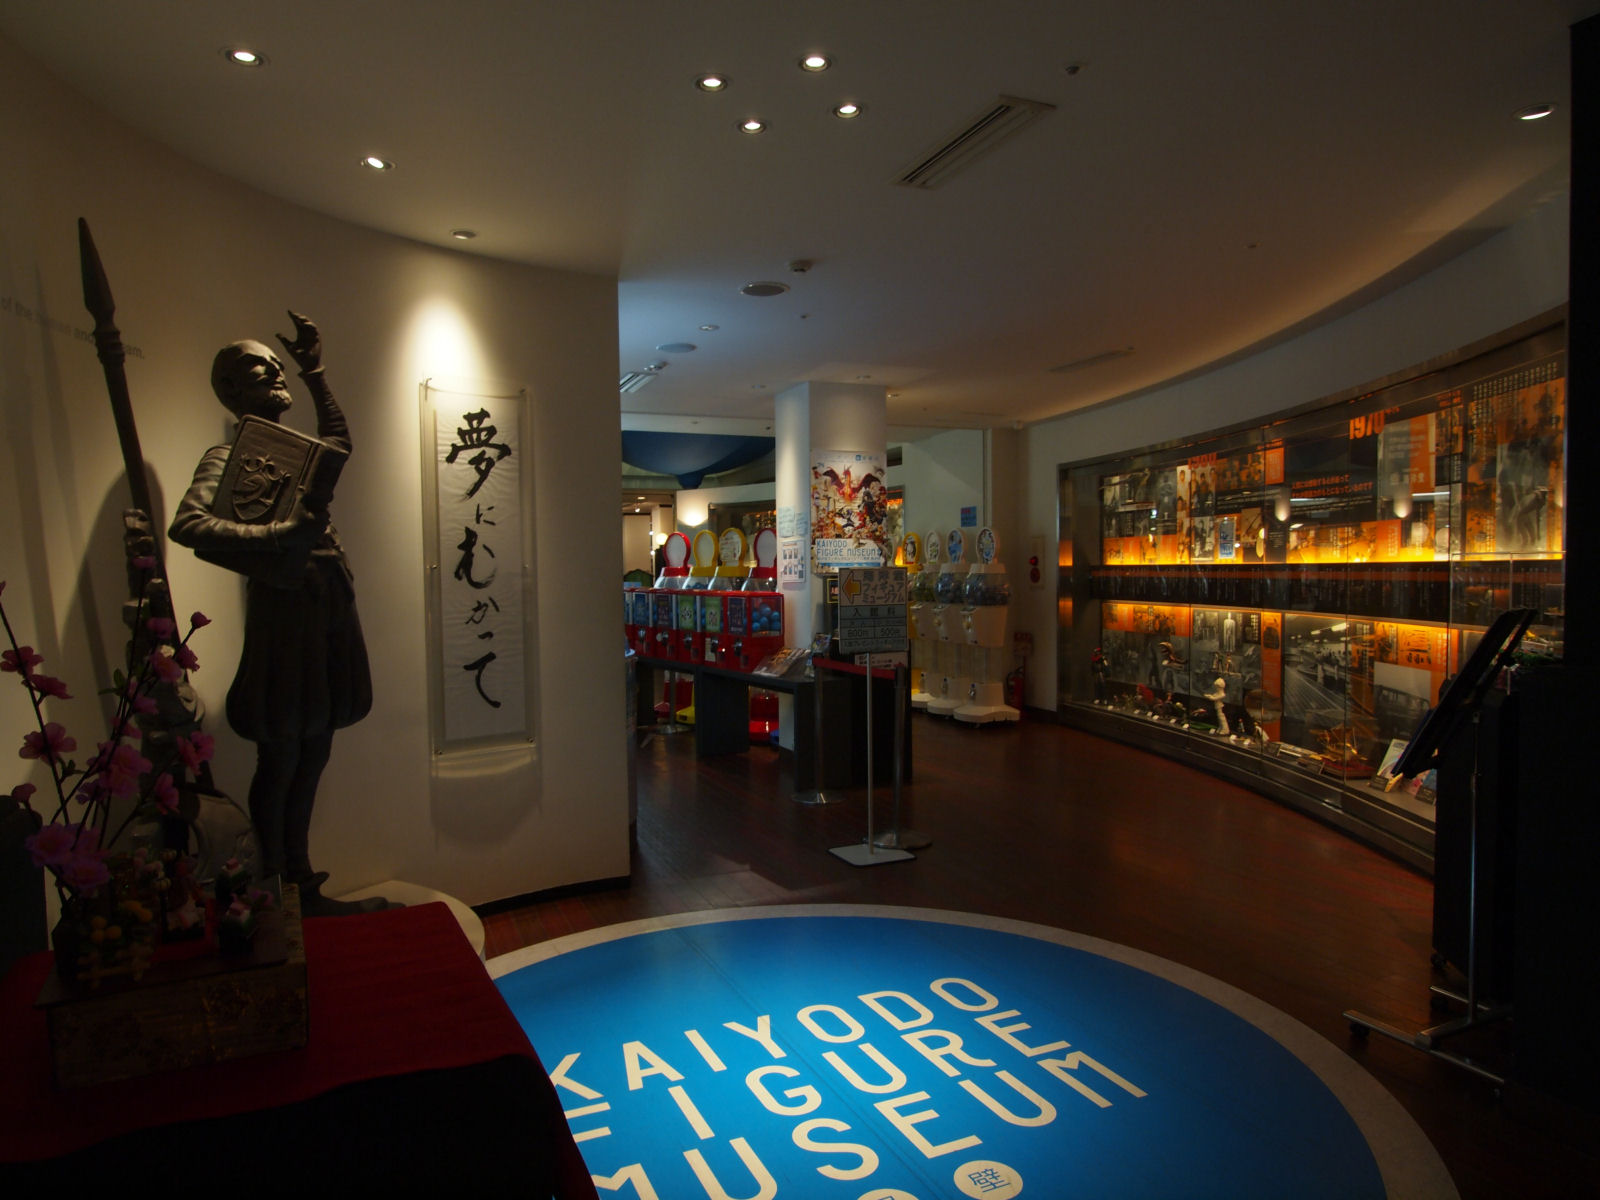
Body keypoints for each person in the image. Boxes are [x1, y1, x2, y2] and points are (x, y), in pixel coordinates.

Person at [169, 312, 386, 916]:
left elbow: (339, 446)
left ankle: (301, 881)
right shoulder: (228, 455)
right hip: (286, 613)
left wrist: (315, 372)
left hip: (327, 602)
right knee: (283, 754)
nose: (273, 371)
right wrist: (276, 536)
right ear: (232, 390)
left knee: (314, 749)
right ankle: (278, 892)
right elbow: (189, 524)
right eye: (256, 368)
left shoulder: (296, 454)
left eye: (274, 363)